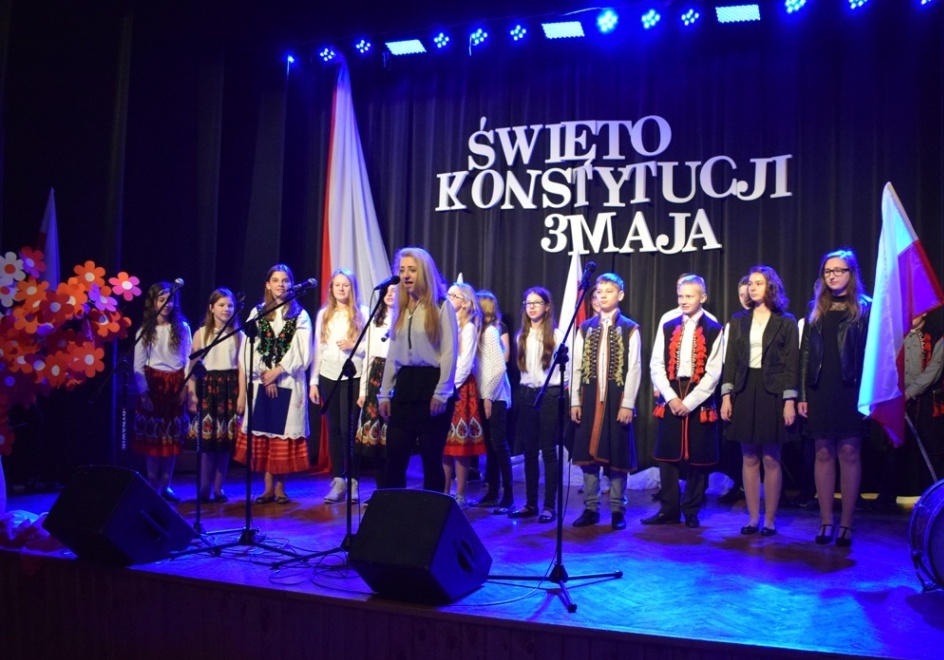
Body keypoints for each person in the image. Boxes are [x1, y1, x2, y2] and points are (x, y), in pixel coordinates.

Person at [798, 249, 871, 546]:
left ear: (851, 274)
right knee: (823, 453)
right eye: (828, 271)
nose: (833, 276)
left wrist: (870, 396)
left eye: (839, 270)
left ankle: (847, 523)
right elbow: (805, 355)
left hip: (851, 390)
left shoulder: (865, 308)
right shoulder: (816, 309)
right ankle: (826, 520)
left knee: (849, 453)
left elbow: (873, 356)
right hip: (820, 389)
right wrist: (802, 394)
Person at [720, 265, 798, 537]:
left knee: (771, 457)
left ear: (771, 287)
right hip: (744, 389)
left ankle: (770, 520)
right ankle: (753, 518)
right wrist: (726, 396)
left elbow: (791, 364)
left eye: (758, 283)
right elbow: (731, 361)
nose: (752, 288)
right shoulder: (738, 320)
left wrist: (789, 400)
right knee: (749, 456)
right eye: (750, 283)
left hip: (772, 391)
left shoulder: (785, 321)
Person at [643, 275, 724, 528]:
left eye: (689, 296)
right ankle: (668, 509)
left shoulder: (714, 328)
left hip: (699, 395)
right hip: (671, 391)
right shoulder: (668, 323)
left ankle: (691, 510)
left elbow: (714, 372)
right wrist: (671, 397)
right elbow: (656, 364)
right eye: (681, 296)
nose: (684, 300)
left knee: (699, 456)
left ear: (703, 297)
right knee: (667, 454)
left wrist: (689, 402)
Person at [378, 247, 458, 492]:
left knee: (431, 460)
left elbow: (449, 353)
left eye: (412, 270)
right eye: (402, 270)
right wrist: (384, 394)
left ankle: (431, 513)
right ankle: (395, 511)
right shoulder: (401, 307)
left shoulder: (442, 306)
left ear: (424, 272)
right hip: (405, 386)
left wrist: (441, 393)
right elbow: (393, 355)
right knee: (394, 459)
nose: (405, 275)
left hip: (431, 384)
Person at [235, 264, 312, 505]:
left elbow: (302, 350)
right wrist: (264, 373)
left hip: (288, 380)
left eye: (285, 280)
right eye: (276, 280)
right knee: (266, 434)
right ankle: (267, 488)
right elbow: (249, 348)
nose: (281, 284)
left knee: (282, 437)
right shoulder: (257, 313)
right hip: (261, 381)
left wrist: (277, 371)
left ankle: (280, 488)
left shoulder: (300, 316)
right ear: (268, 285)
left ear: (291, 284)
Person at [570, 273, 641, 530]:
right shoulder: (585, 328)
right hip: (589, 399)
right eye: (599, 292)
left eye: (608, 291)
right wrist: (575, 400)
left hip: (616, 400)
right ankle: (591, 507)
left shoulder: (630, 328)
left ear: (620, 295)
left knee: (617, 455)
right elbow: (576, 366)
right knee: (588, 457)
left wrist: (628, 403)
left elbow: (634, 368)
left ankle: (617, 509)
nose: (602, 296)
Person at [309, 268, 368, 504]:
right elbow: (318, 348)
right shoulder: (324, 314)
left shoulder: (362, 312)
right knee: (333, 428)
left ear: (352, 288)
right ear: (331, 289)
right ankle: (338, 480)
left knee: (348, 429)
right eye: (337, 285)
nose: (342, 289)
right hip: (328, 376)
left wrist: (354, 345)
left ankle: (353, 481)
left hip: (353, 376)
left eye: (346, 285)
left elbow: (370, 348)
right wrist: (314, 381)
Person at [509, 286, 567, 523]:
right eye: (528, 303)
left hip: (550, 394)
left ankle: (549, 506)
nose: (531, 307)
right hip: (526, 394)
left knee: (548, 451)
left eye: (537, 303)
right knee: (529, 451)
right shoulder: (521, 336)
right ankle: (530, 503)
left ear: (547, 306)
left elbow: (566, 372)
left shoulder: (556, 335)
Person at [875, 312, 944, 506]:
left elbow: (933, 371)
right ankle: (886, 497)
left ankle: (936, 500)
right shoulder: (895, 337)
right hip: (897, 399)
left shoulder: (937, 335)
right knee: (894, 448)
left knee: (931, 450)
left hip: (926, 401)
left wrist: (909, 393)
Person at [133, 282, 192, 502]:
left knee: (171, 439)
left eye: (170, 299)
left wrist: (185, 386)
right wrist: (144, 393)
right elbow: (138, 365)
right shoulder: (145, 330)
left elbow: (188, 359)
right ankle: (152, 485)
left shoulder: (182, 328)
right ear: (153, 302)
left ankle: (166, 486)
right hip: (154, 385)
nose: (167, 304)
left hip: (175, 385)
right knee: (153, 440)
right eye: (161, 299)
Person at [187, 288, 245, 503]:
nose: (226, 309)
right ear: (211, 308)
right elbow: (192, 366)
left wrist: (241, 396)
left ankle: (219, 489)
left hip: (229, 388)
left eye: (230, 305)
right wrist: (192, 393)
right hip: (208, 388)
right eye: (221, 305)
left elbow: (242, 368)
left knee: (224, 442)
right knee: (207, 442)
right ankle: (204, 488)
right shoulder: (201, 333)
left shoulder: (239, 335)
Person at [442, 282, 486, 505]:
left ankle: (460, 492)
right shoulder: (446, 323)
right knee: (444, 443)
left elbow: (465, 364)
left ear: (465, 303)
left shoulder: (468, 328)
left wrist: (449, 388)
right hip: (443, 386)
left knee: (460, 444)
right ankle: (443, 490)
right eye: (448, 294)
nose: (448, 298)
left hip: (458, 389)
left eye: (454, 296)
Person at [473, 289, 515, 513]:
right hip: (485, 395)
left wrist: (488, 395)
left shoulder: (490, 332)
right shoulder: (479, 332)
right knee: (490, 445)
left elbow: (499, 368)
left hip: (496, 396)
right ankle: (492, 492)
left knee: (499, 444)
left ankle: (508, 495)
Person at [355, 283, 396, 489]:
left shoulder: (404, 317)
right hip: (375, 377)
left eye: (394, 291)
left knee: (392, 438)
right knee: (377, 440)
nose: (389, 294)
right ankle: (380, 490)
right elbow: (369, 357)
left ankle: (393, 489)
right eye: (386, 291)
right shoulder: (375, 320)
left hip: (396, 374)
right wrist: (363, 390)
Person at [718, 275, 752, 505]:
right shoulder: (735, 323)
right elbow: (727, 360)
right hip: (738, 387)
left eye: (747, 293)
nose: (745, 298)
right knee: (738, 443)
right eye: (740, 294)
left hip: (762, 386)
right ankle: (738, 485)